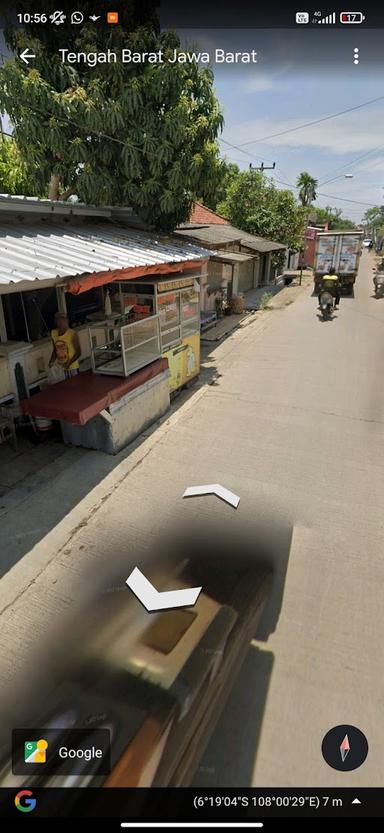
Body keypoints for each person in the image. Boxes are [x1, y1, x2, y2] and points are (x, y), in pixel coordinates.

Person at [49, 312, 82, 378]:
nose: (60, 323)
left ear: (66, 321)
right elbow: (55, 350)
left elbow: (78, 352)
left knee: (76, 386)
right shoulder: (53, 333)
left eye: (62, 320)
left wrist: (69, 363)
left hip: (72, 367)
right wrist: (51, 361)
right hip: (61, 367)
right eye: (58, 321)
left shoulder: (72, 334)